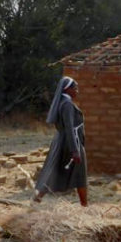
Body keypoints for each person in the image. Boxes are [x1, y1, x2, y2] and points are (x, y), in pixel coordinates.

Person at [33, 76, 88, 206]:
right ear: (67, 89)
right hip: (71, 143)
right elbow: (69, 128)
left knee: (54, 170)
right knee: (80, 174)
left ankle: (37, 198)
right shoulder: (67, 105)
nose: (77, 91)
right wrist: (75, 150)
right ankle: (85, 205)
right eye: (75, 88)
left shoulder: (61, 102)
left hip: (60, 142)